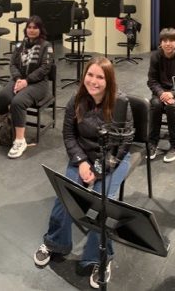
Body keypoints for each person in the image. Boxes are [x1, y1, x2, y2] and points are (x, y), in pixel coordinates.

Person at [33, 56, 133, 289]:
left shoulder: (121, 103)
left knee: (102, 204)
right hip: (84, 156)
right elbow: (69, 136)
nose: (93, 81)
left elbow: (123, 145)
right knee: (65, 196)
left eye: (100, 77)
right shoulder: (76, 100)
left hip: (113, 158)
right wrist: (81, 162)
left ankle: (100, 258)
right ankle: (55, 242)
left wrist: (97, 171)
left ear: (109, 81)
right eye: (90, 75)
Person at [0, 16, 54, 158]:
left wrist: (26, 81)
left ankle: (20, 140)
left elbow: (45, 68)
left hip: (38, 84)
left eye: (35, 27)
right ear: (26, 29)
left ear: (40, 29)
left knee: (18, 102)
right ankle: (3, 125)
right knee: (3, 96)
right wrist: (17, 79)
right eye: (29, 27)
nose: (32, 30)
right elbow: (13, 64)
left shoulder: (46, 46)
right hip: (20, 80)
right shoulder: (20, 45)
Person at [147, 28, 175, 163]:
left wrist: (171, 93)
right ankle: (152, 142)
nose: (168, 44)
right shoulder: (155, 56)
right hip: (160, 92)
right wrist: (162, 93)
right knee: (155, 104)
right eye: (165, 41)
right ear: (161, 43)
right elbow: (152, 80)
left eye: (171, 41)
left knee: (171, 107)